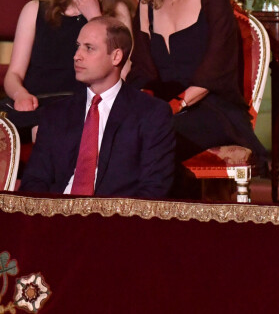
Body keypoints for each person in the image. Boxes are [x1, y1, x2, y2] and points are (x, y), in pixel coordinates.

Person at [126, 0, 267, 175]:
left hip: (211, 108)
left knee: (157, 135)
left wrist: (174, 107)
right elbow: (142, 72)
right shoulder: (147, 5)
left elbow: (214, 72)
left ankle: (162, 211)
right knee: (121, 130)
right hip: (162, 106)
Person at [20, 17, 175, 197]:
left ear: (116, 56)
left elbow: (154, 189)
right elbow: (34, 181)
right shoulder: (55, 114)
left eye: (89, 48)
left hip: (116, 220)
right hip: (57, 217)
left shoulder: (151, 114)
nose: (77, 55)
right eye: (78, 46)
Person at [1, 0, 134, 137]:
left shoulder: (115, 12)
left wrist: (95, 17)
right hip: (33, 101)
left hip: (79, 104)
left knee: (44, 130)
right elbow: (14, 74)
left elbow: (121, 73)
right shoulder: (35, 10)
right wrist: (20, 95)